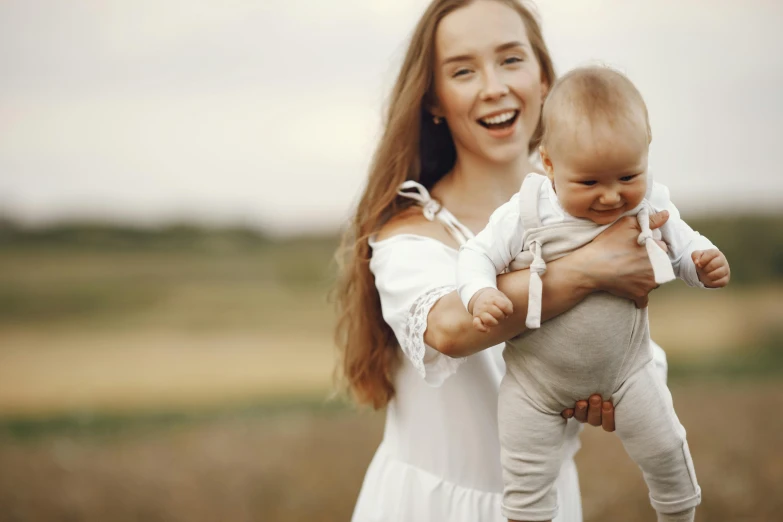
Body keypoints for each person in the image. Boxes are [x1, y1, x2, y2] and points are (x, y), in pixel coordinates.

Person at [335, 1, 670, 520]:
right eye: (463, 70)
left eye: (511, 60)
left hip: (549, 504)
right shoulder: (408, 231)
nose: (493, 86)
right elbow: (449, 327)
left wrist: (611, 383)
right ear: (434, 101)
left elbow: (632, 339)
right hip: (429, 508)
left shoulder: (594, 211)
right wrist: (588, 271)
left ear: (543, 81)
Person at [456, 66, 730, 522]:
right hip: (533, 383)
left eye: (627, 176)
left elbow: (683, 246)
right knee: (526, 480)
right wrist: (480, 293)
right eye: (589, 183)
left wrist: (703, 263)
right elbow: (475, 254)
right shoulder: (525, 213)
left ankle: (679, 514)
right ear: (549, 164)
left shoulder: (650, 204)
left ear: (646, 156)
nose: (610, 197)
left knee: (666, 448)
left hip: (627, 372)